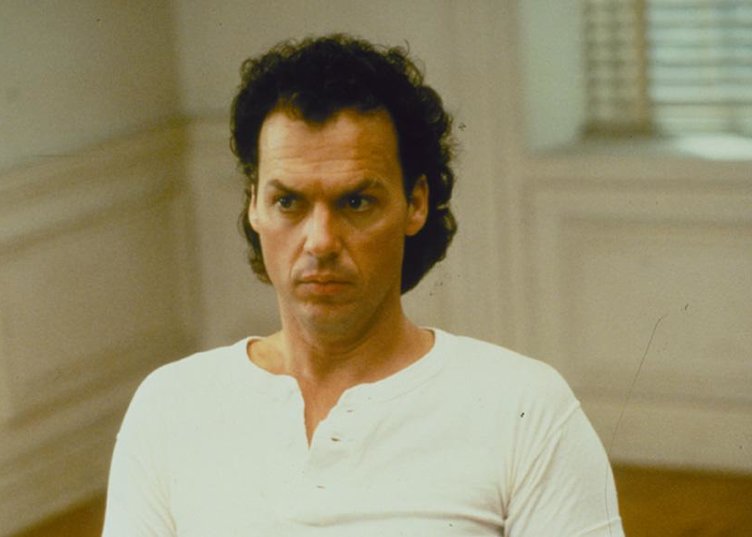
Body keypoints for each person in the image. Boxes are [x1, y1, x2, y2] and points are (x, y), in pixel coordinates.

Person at [102, 34, 624, 536]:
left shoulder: (523, 409)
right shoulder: (172, 406)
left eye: (356, 202)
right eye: (289, 202)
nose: (321, 241)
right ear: (253, 205)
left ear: (415, 203)